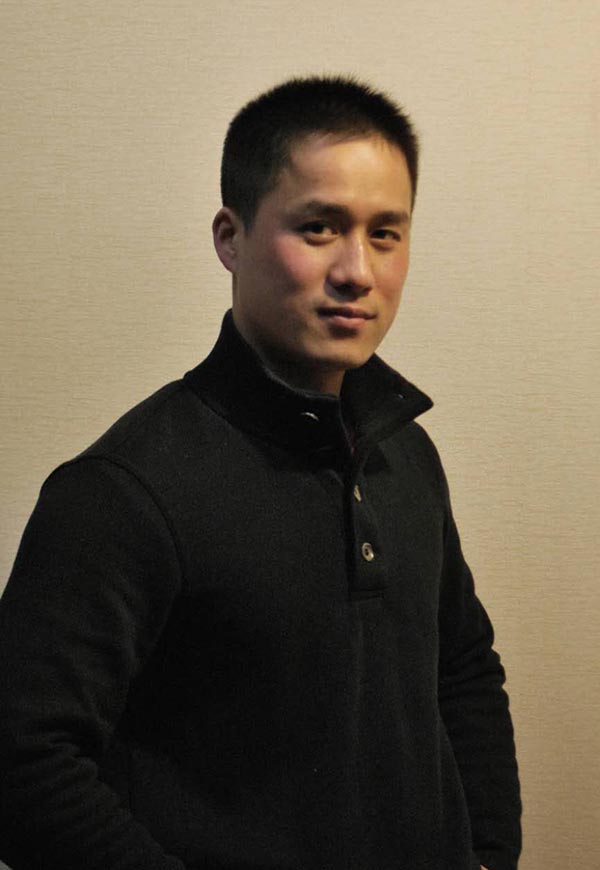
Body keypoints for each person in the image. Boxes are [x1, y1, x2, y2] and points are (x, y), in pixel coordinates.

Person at [0, 76, 521, 870]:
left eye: (386, 234)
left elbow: (463, 669)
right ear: (230, 237)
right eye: (319, 228)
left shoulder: (405, 453)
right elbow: (23, 765)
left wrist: (486, 851)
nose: (358, 271)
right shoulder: (123, 490)